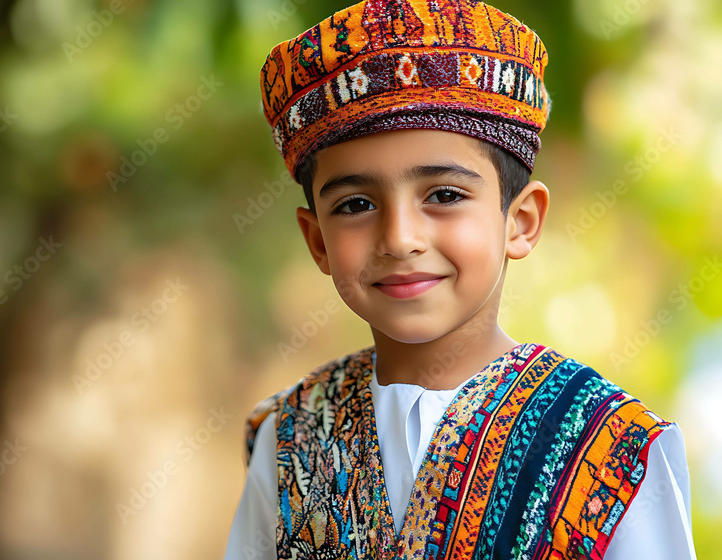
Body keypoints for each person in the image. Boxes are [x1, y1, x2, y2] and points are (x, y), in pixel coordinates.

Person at [224, 0, 696, 558]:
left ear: (520, 222)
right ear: (319, 241)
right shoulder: (290, 438)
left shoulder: (614, 451)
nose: (400, 238)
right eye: (355, 204)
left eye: (444, 195)